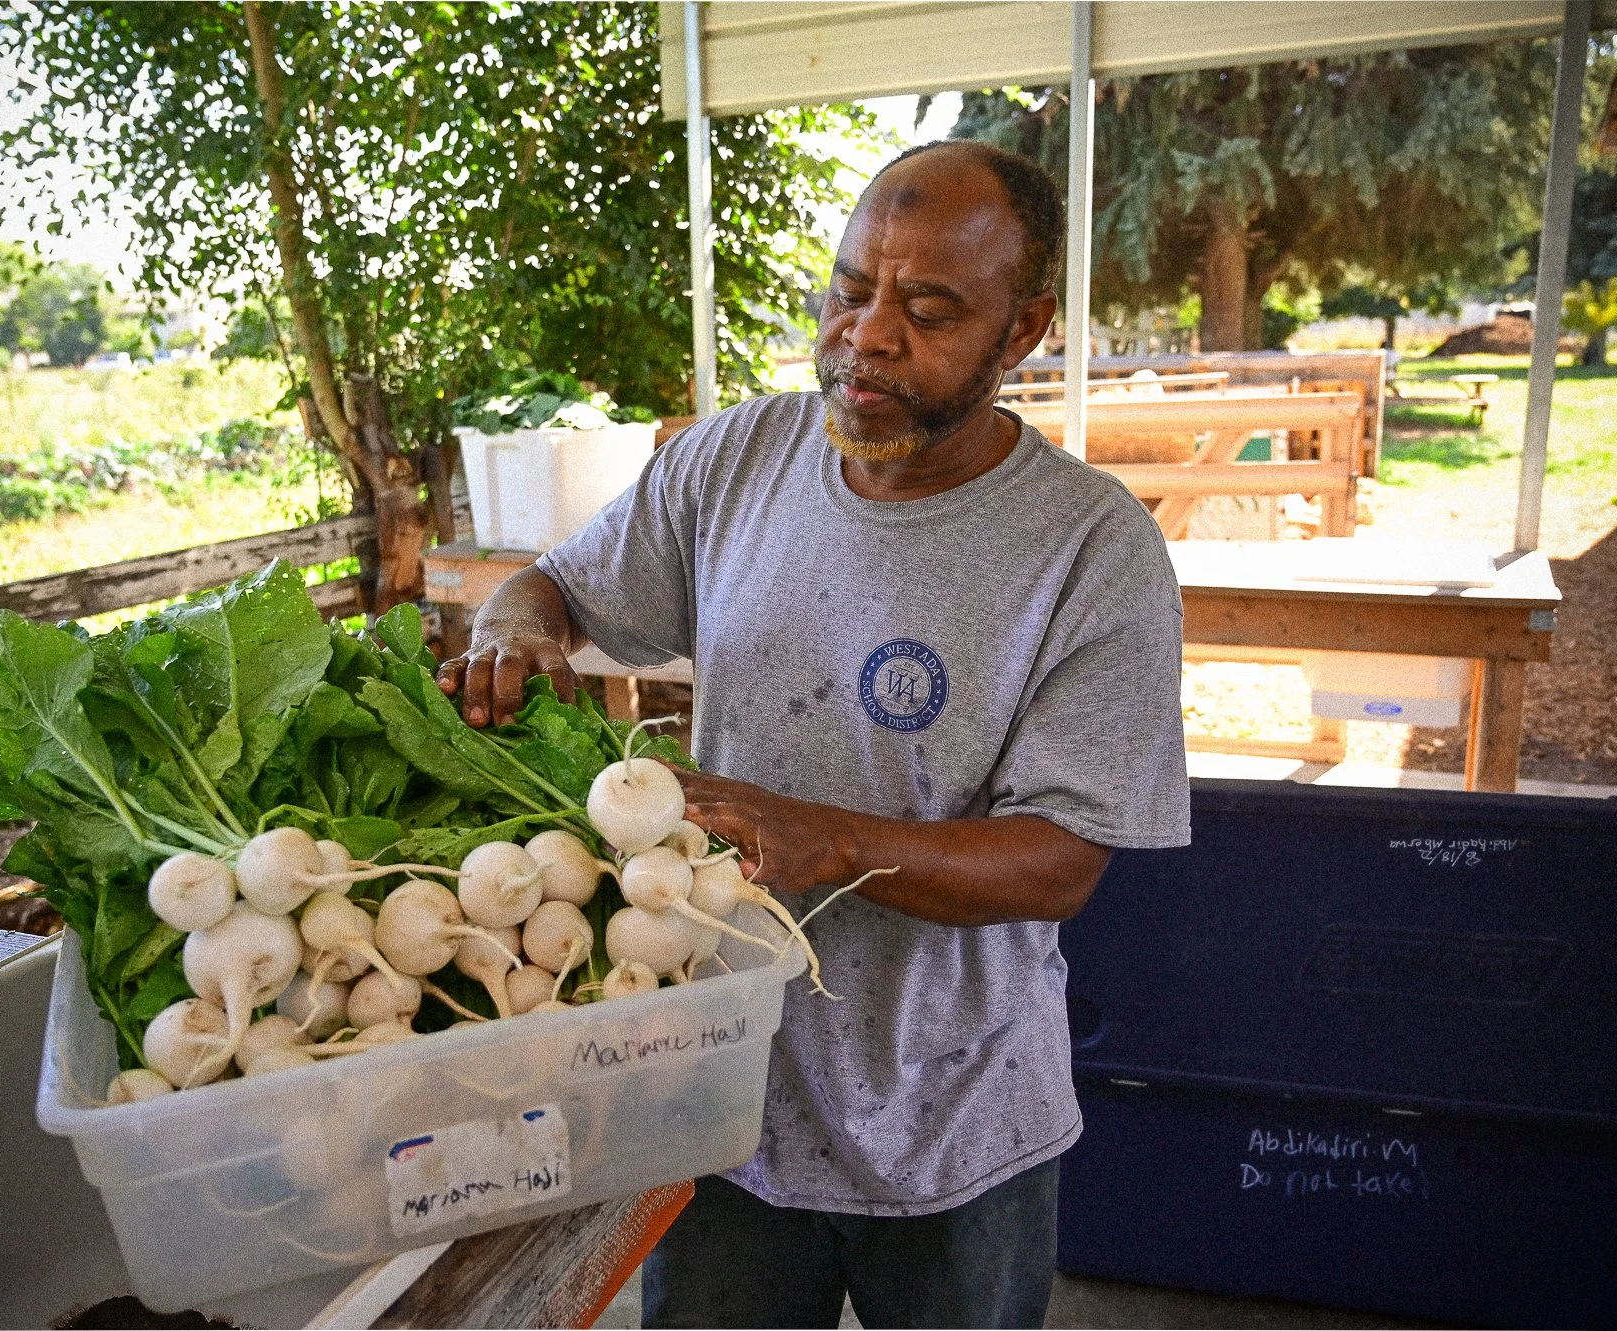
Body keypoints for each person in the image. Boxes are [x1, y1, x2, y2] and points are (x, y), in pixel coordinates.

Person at [437, 140, 1191, 1329]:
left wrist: (826, 843)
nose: (868, 334)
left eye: (929, 308)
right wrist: (512, 630)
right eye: (849, 289)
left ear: (1023, 325)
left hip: (956, 1123)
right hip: (721, 1101)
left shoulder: (1088, 551)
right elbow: (554, 590)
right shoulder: (736, 459)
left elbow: (1060, 859)